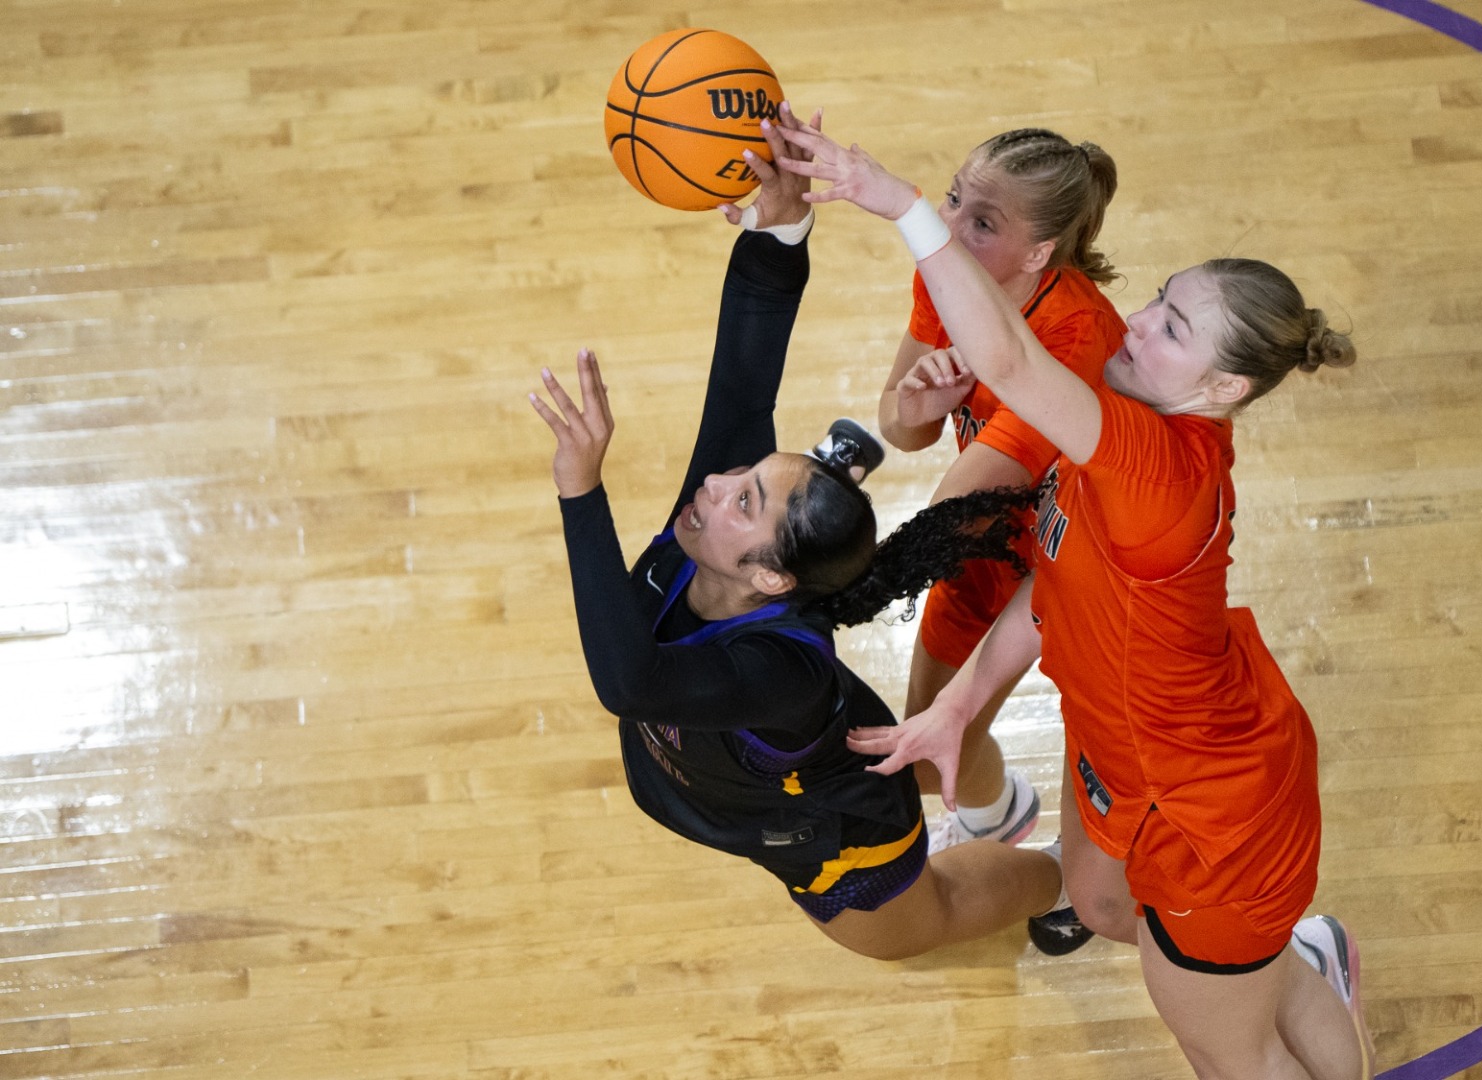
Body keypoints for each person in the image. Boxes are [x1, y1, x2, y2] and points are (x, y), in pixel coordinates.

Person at [778, 121, 1375, 1078]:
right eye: (1158, 302)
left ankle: (1289, 973)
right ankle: (1294, 963)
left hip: (1218, 815)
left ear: (1223, 387)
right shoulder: (1125, 424)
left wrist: (901, 204)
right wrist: (959, 706)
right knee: (1099, 908)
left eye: (1173, 330)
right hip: (1121, 744)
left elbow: (1011, 365)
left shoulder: (1156, 467)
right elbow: (1050, 589)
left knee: (1230, 1052)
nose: (1136, 322)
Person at [528, 114, 1069, 962]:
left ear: (772, 579)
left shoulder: (783, 671)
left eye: (743, 497)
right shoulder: (710, 532)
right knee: (944, 760)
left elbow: (630, 679)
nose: (709, 485)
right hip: (733, 793)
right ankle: (999, 805)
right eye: (737, 483)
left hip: (830, 837)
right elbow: (743, 385)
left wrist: (581, 491)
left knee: (918, 927)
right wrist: (781, 225)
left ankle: (1062, 877)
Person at [876, 127, 1126, 855]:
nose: (949, 228)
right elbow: (900, 423)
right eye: (953, 199)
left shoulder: (1077, 336)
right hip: (993, 543)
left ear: (1040, 253)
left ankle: (1095, 884)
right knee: (928, 746)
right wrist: (917, 406)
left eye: (981, 222)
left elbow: (954, 508)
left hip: (1088, 569)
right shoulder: (943, 277)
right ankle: (997, 817)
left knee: (1112, 765)